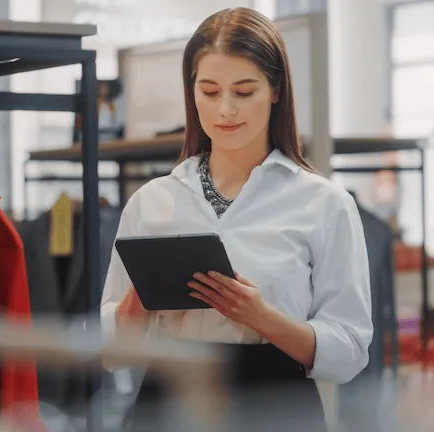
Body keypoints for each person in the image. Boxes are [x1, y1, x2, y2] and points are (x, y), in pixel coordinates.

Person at [100, 7, 372, 432]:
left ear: (276, 89)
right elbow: (110, 352)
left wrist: (263, 317)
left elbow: (352, 351)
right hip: (168, 400)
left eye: (244, 91)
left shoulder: (324, 204)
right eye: (209, 92)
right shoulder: (151, 202)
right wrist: (135, 306)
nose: (225, 109)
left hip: (276, 403)